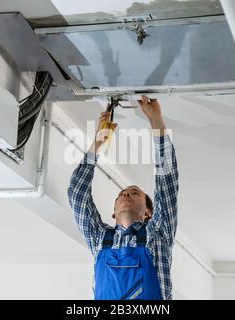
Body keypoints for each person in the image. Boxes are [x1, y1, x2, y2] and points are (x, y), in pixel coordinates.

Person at [67, 95, 179, 300]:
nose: (126, 194)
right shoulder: (101, 238)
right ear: (113, 212)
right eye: (121, 194)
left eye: (134, 193)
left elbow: (167, 185)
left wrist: (157, 122)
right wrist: (97, 144)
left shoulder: (158, 233)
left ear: (148, 212)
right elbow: (77, 193)